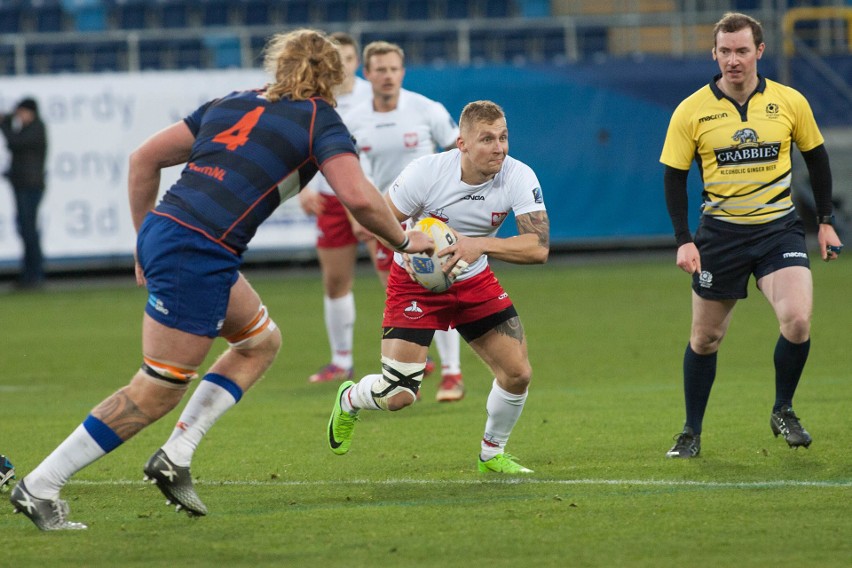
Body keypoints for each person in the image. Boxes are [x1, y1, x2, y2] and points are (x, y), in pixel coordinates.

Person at [10, 28, 433, 531]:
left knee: (259, 342)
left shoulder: (231, 101)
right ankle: (40, 485)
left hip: (178, 234)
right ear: (334, 76)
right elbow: (359, 197)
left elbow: (142, 158)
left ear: (279, 65)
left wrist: (145, 239)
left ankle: (176, 454)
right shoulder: (321, 117)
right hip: (198, 249)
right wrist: (406, 242)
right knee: (158, 389)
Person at [326, 100, 550, 474]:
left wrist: (479, 244)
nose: (499, 148)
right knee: (399, 395)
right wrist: (409, 250)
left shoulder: (518, 175)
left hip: (474, 278)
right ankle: (350, 398)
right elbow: (382, 220)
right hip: (415, 284)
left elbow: (538, 247)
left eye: (504, 137)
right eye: (487, 139)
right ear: (461, 143)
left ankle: (492, 453)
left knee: (517, 373)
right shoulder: (426, 173)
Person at [660, 12, 843, 459]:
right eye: (725, 51)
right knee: (705, 339)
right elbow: (673, 176)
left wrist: (824, 220)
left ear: (759, 51)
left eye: (742, 51)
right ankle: (691, 432)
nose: (733, 60)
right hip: (719, 236)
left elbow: (817, 160)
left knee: (798, 321)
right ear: (714, 54)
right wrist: (684, 238)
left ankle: (783, 408)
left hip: (778, 231)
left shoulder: (789, 101)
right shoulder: (691, 110)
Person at [342, 40, 467, 402]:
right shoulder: (354, 121)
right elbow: (350, 172)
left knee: (437, 286)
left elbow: (457, 152)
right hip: (386, 222)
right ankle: (416, 358)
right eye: (380, 69)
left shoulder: (426, 109)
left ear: (403, 71)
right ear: (367, 73)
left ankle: (452, 374)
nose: (387, 76)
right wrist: (358, 213)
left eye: (394, 68)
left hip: (428, 220)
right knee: (401, 293)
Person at [297, 32, 378, 385]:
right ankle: (341, 361)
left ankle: (414, 354)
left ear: (356, 61)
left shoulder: (372, 96)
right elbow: (305, 146)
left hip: (372, 195)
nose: (341, 65)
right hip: (331, 199)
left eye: (347, 58)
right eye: (335, 59)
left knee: (399, 278)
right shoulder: (316, 98)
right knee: (335, 281)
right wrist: (304, 188)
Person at [1, 97, 48, 289]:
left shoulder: (36, 128)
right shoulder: (30, 128)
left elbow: (15, 143)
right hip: (23, 184)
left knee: (28, 229)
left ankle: (34, 274)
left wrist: (4, 124)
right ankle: (30, 273)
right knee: (25, 228)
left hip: (29, 185)